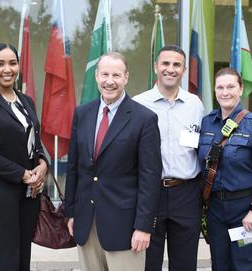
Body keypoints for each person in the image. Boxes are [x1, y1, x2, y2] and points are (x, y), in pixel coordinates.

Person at [64, 51, 162, 271]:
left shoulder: (144, 119)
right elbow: (74, 167)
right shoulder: (82, 114)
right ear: (96, 76)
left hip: (125, 228)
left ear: (126, 77)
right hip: (86, 223)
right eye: (105, 74)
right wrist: (70, 212)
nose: (110, 81)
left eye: (116, 75)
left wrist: (144, 227)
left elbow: (150, 178)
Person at [0, 43, 48, 271]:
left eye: (12, 63)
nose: (7, 69)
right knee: (7, 261)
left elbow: (36, 143)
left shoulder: (27, 101)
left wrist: (42, 165)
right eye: (0, 64)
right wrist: (25, 175)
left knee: (23, 260)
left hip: (28, 194)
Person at [134, 45, 204, 271]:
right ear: (156, 67)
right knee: (147, 262)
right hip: (149, 193)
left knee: (185, 263)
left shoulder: (195, 104)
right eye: (165, 63)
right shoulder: (137, 104)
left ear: (184, 70)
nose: (170, 69)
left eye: (176, 65)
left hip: (186, 193)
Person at [198, 67, 252, 271]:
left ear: (241, 89)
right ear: (215, 91)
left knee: (246, 266)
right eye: (220, 87)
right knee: (220, 266)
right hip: (217, 211)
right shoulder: (207, 122)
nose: (225, 92)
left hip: (247, 211)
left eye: (231, 86)